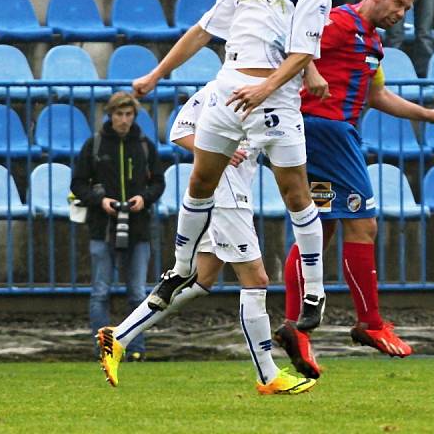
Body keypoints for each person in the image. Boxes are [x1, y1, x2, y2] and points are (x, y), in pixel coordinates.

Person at [131, 0, 332, 341]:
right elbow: (203, 32)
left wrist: (265, 87)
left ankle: (315, 292)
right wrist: (157, 73)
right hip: (227, 90)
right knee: (200, 180)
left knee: (295, 192)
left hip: (274, 100)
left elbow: (304, 52)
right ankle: (179, 269)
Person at [274, 0, 434, 379]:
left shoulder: (373, 43)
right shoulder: (339, 23)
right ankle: (370, 322)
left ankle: (295, 326)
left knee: (317, 230)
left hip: (323, 134)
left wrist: (427, 114)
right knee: (363, 225)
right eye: (398, 4)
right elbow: (294, 46)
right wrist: (310, 74)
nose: (402, 14)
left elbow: (377, 96)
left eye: (407, 9)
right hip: (328, 131)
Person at [96, 86, 315, 395]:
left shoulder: (273, 93)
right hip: (226, 196)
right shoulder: (219, 89)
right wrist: (216, 153)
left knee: (202, 280)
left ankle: (119, 336)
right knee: (256, 279)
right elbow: (179, 132)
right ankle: (268, 375)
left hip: (230, 194)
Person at [70, 91, 164, 361]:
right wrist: (100, 200)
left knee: (137, 292)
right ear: (110, 115)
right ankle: (104, 348)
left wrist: (143, 198)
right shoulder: (95, 145)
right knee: (100, 291)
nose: (124, 120)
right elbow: (77, 184)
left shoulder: (145, 145)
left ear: (134, 116)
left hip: (139, 227)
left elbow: (158, 181)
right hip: (102, 227)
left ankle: (136, 349)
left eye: (129, 114)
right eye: (119, 114)